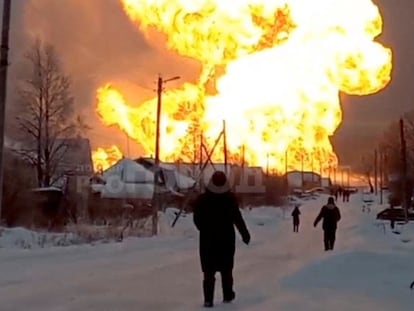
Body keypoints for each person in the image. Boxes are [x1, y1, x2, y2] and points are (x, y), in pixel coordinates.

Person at [193, 171, 251, 308]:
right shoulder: (230, 199)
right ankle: (228, 295)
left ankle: (208, 300)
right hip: (226, 240)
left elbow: (197, 219)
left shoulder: (202, 199)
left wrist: (204, 228)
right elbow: (237, 218)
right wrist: (245, 234)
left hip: (207, 241)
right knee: (226, 270)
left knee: (208, 272)